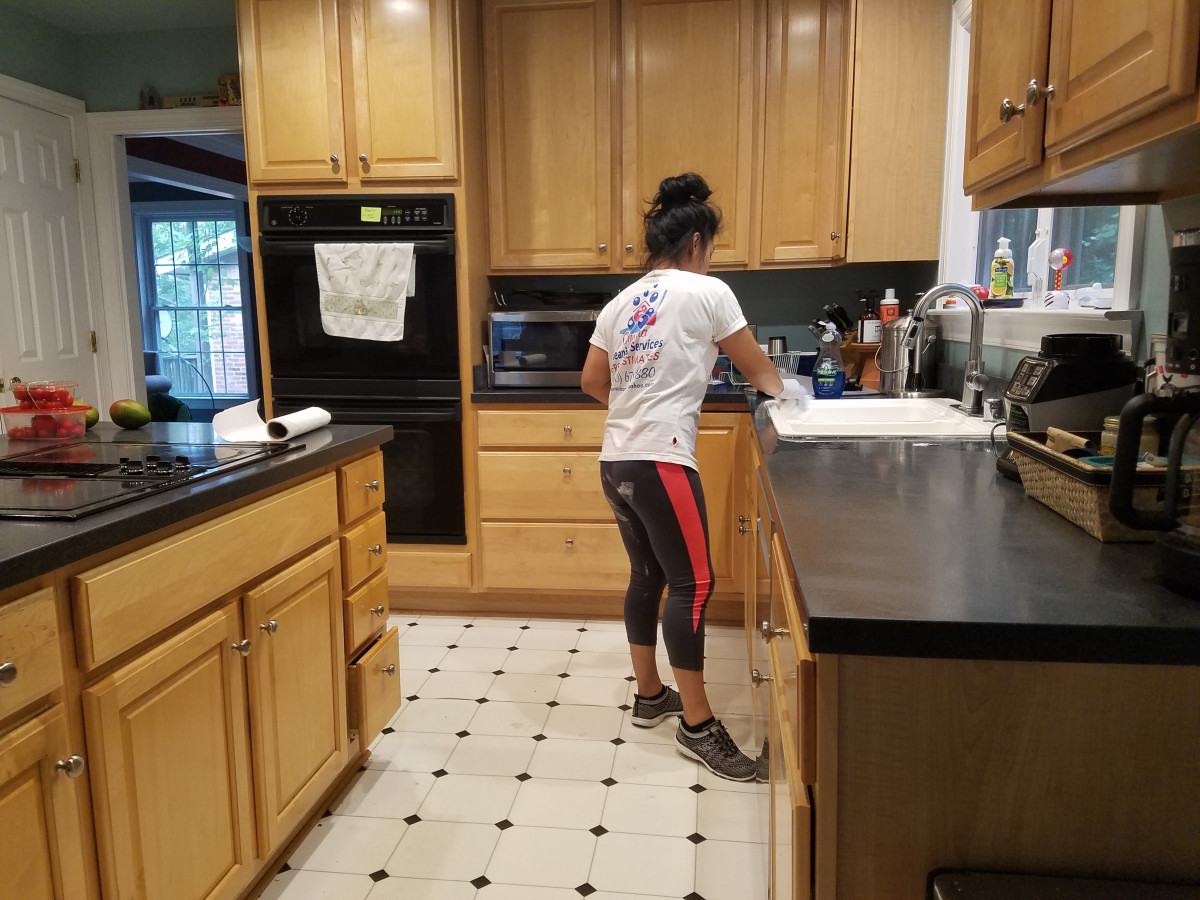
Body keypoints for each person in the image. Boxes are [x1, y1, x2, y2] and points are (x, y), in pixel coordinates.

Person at [580, 172, 804, 781]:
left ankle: (651, 696)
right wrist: (797, 401)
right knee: (694, 584)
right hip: (660, 460)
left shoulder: (619, 303)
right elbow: (759, 371)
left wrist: (638, 408)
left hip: (617, 458)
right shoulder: (709, 292)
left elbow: (592, 382)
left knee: (647, 574)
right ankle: (698, 726)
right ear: (698, 241)